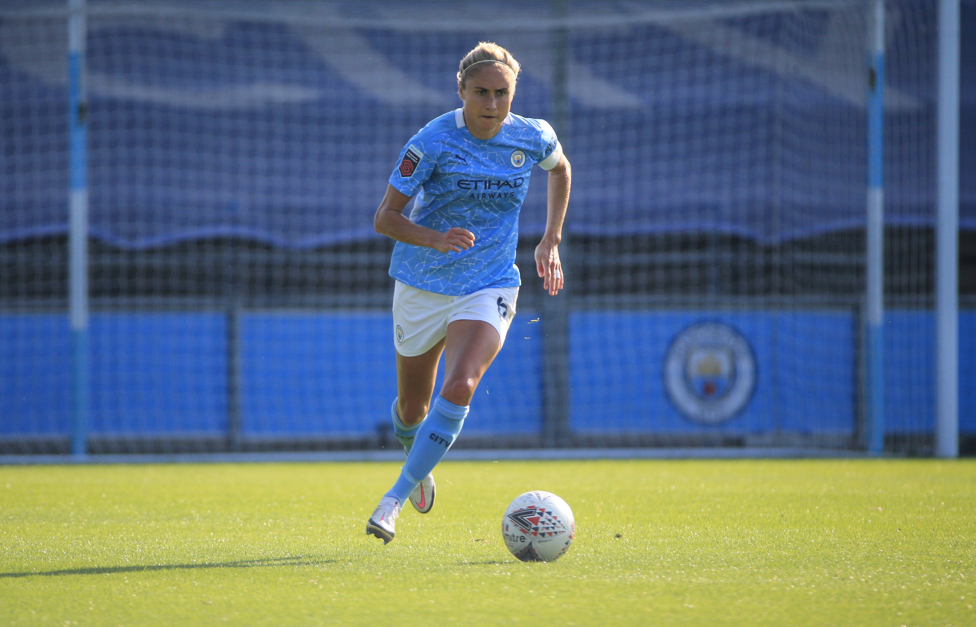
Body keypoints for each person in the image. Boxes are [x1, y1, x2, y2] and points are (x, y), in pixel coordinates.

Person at [366, 41, 571, 544]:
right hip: (423, 284)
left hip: (490, 282)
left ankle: (392, 500)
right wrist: (436, 238)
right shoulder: (431, 141)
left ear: (513, 93)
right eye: (480, 92)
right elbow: (384, 218)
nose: (492, 104)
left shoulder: (533, 136)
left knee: (460, 386)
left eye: (502, 93)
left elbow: (561, 169)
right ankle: (415, 450)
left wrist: (550, 239)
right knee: (412, 408)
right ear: (461, 90)